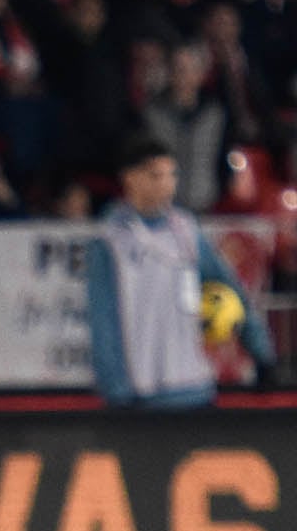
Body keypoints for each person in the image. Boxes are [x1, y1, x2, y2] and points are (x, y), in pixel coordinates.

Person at [84, 129, 268, 408]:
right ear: (130, 178)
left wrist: (261, 351)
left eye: (172, 175)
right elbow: (103, 319)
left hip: (194, 386)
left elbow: (228, 286)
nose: (167, 184)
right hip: (141, 393)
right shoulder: (111, 241)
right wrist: (116, 390)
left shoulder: (186, 231)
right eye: (156, 176)